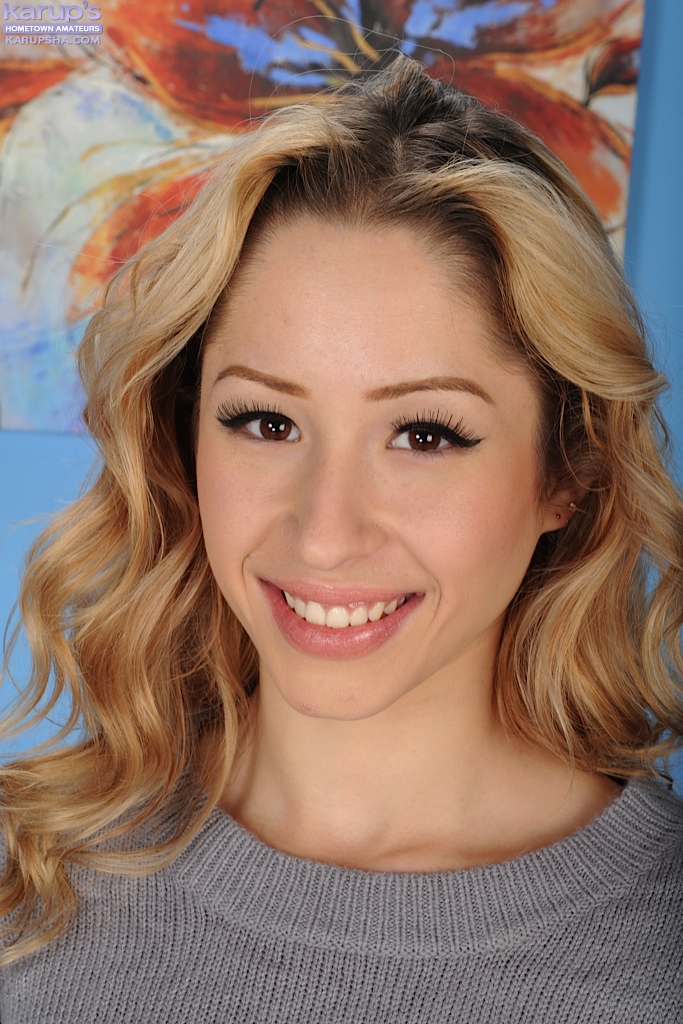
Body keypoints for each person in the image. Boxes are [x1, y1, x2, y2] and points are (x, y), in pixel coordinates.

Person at [0, 55, 681, 1023]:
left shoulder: (658, 955)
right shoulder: (30, 872)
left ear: (565, 472)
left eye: (424, 435)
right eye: (266, 422)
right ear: (184, 440)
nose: (323, 535)